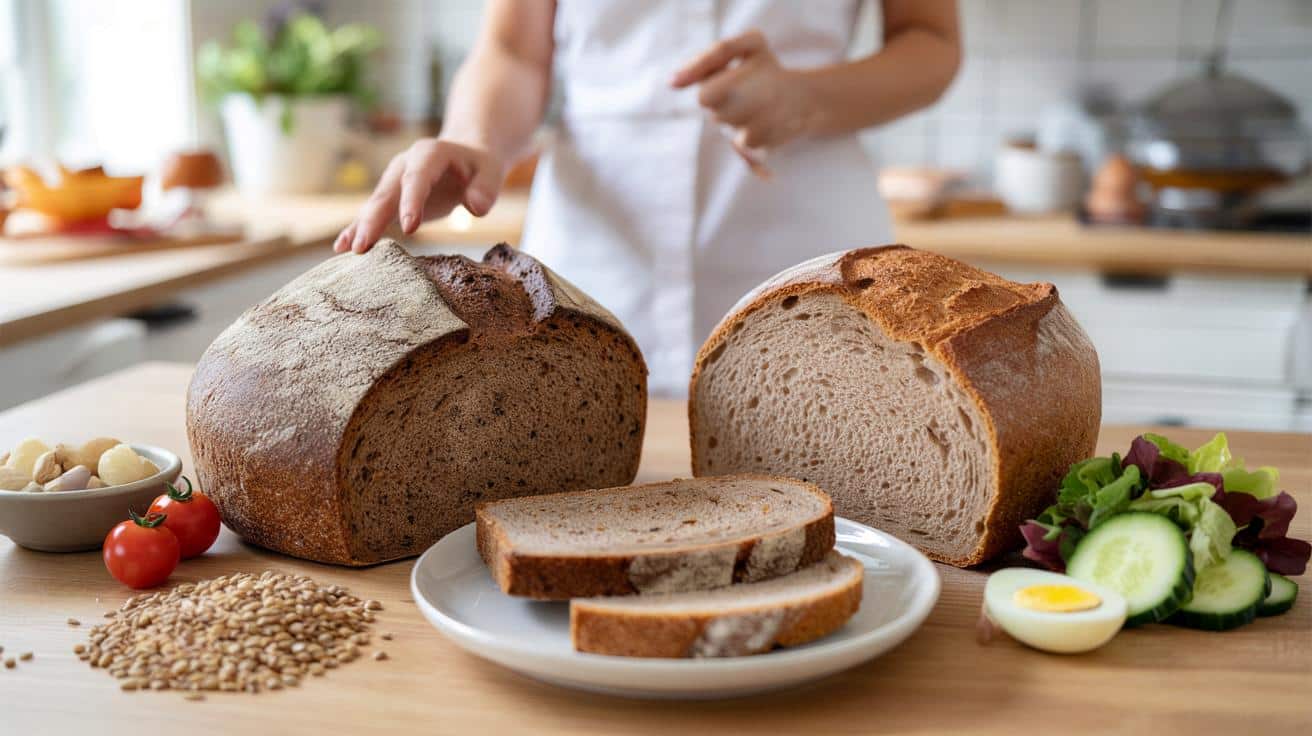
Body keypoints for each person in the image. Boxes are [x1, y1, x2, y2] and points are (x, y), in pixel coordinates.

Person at [337, 0, 961, 396]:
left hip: (804, 239)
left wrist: (807, 97)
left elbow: (929, 39)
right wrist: (473, 140)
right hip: (595, 252)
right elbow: (514, 50)